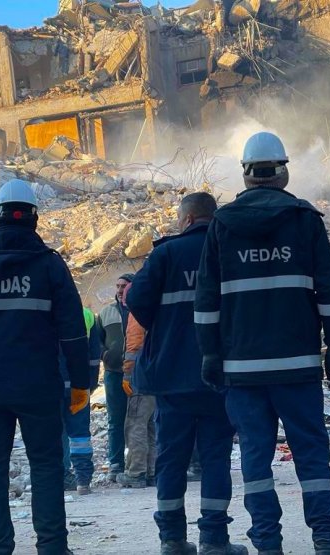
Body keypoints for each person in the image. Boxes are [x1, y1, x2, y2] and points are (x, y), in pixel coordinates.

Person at [194, 132, 330, 555]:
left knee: (255, 458)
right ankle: (325, 537)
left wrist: (210, 353)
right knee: (311, 452)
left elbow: (206, 301)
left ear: (246, 174)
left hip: (242, 370)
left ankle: (266, 541)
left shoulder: (222, 225)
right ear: (282, 172)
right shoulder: (304, 220)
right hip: (297, 366)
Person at [0, 179, 89, 555]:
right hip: (38, 388)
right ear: (34, 217)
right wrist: (80, 382)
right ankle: (53, 547)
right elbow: (73, 330)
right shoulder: (50, 265)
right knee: (46, 467)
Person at [127, 192, 246, 555]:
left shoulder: (166, 254)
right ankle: (214, 539)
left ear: (188, 219)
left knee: (171, 459)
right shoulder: (231, 251)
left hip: (171, 376)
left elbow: (136, 301)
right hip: (218, 376)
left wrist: (164, 327)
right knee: (215, 458)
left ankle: (172, 540)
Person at [97, 273, 133, 481]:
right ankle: (116, 463)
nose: (120, 290)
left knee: (140, 421)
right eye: (118, 286)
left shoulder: (142, 309)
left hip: (137, 373)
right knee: (115, 420)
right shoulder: (106, 312)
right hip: (113, 374)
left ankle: (141, 463)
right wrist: (105, 354)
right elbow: (97, 341)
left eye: (124, 286)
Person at [118, 294, 157, 489]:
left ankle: (136, 472)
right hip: (157, 376)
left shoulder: (137, 313)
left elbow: (133, 345)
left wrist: (127, 373)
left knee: (135, 424)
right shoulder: (156, 307)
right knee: (151, 426)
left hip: (140, 376)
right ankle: (151, 471)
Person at [61, 307, 101, 495]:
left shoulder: (43, 310)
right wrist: (90, 384)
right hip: (78, 385)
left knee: (54, 433)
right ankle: (83, 480)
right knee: (80, 435)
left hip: (51, 386)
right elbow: (94, 355)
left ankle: (60, 476)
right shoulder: (86, 315)